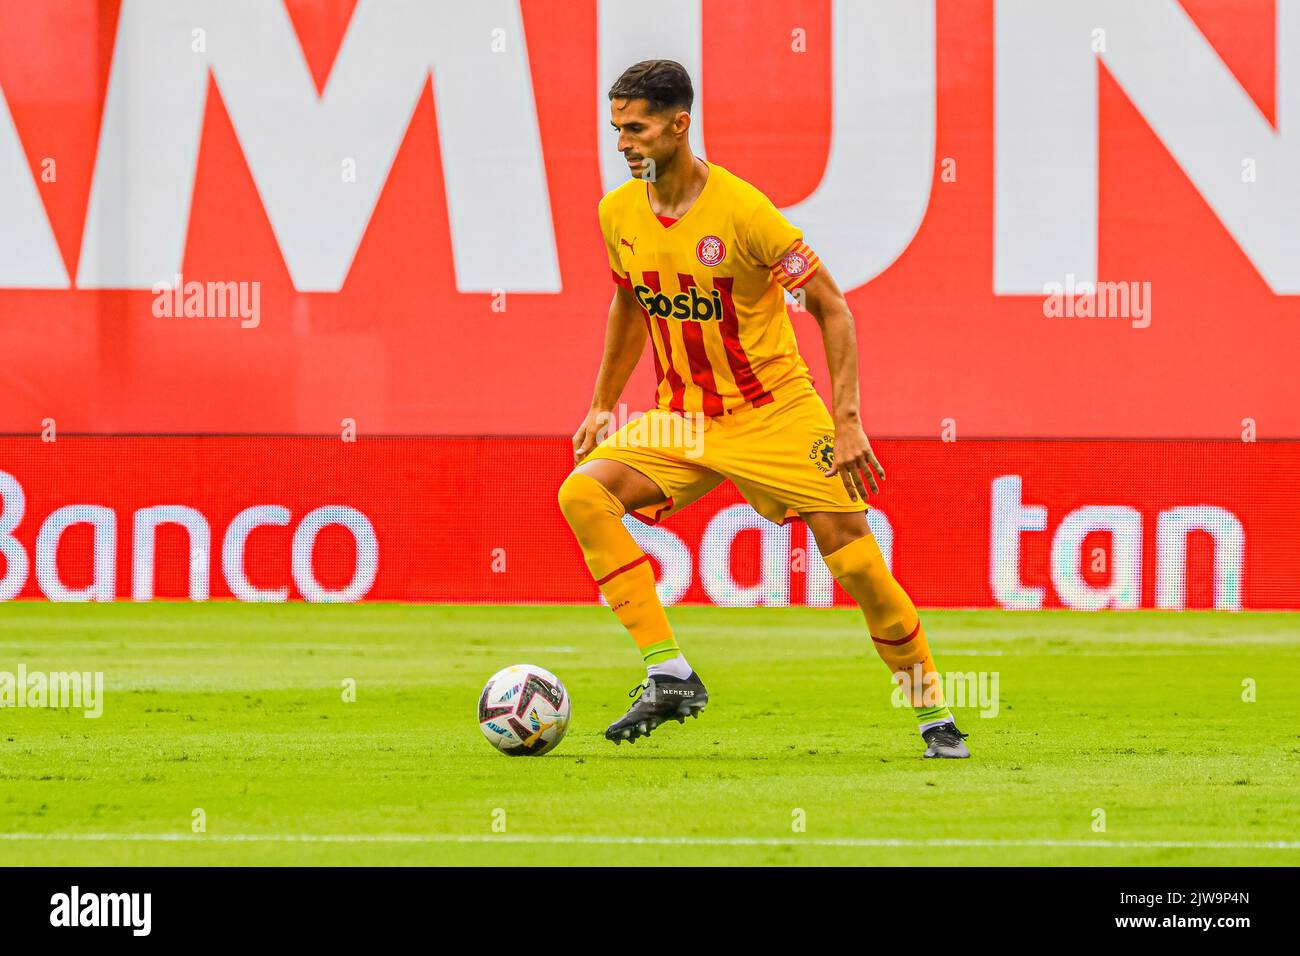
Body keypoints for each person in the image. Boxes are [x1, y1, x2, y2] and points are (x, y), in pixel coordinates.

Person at [559, 59, 969, 758]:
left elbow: (832, 308)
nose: (624, 143)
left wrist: (845, 421)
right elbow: (630, 300)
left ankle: (932, 712)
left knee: (861, 568)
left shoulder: (746, 213)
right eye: (616, 129)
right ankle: (670, 672)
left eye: (638, 128)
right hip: (684, 418)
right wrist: (602, 404)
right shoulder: (617, 212)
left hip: (777, 414)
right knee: (583, 495)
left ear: (679, 124)